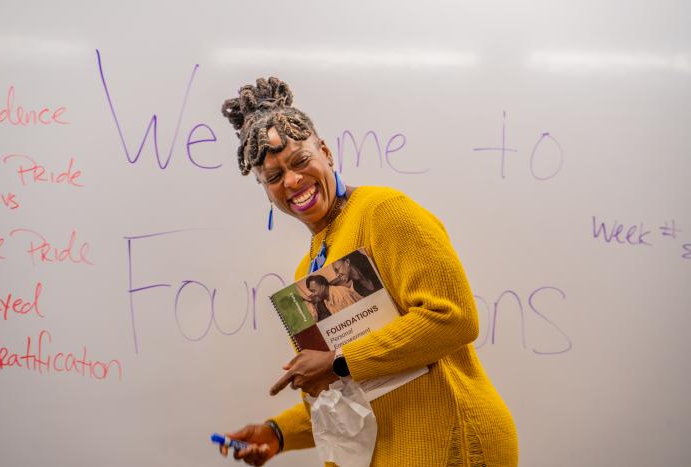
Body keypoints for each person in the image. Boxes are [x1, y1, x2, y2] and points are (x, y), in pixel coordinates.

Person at [218, 77, 518, 466]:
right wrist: (278, 433)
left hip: (450, 443)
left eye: (300, 161)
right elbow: (348, 387)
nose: (291, 180)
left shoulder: (383, 211)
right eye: (273, 177)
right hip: (394, 448)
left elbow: (454, 319)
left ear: (325, 152)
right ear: (264, 188)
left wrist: (339, 360)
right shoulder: (307, 266)